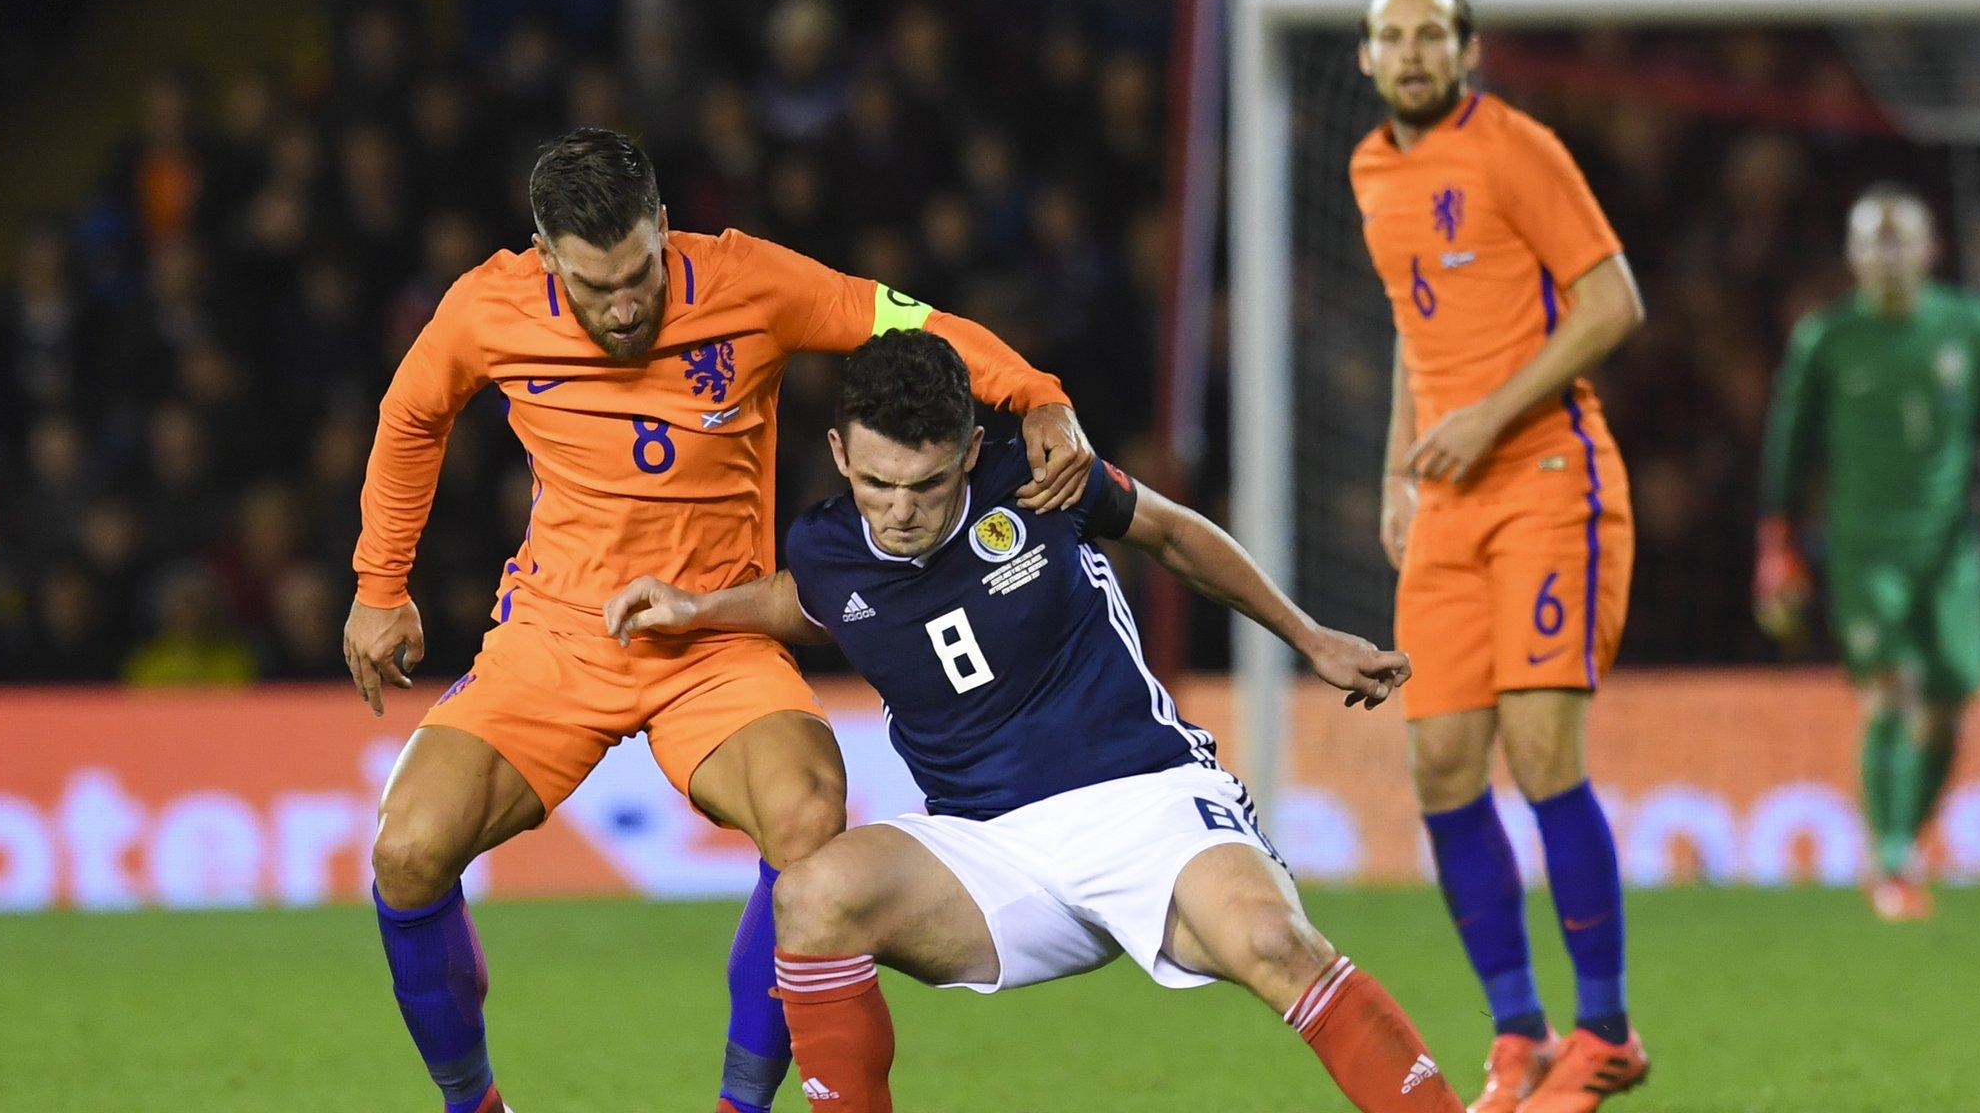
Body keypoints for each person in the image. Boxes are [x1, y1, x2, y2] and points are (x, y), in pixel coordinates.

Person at [343, 128, 1091, 1113]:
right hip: (555, 638)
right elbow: (411, 416)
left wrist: (1032, 393)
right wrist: (378, 581)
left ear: (662, 228)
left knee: (807, 821)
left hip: (716, 638)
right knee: (405, 852)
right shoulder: (489, 304)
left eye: (639, 276)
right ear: (544, 256)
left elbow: (906, 319)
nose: (622, 306)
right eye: (592, 286)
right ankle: (474, 1106)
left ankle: (739, 1108)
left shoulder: (749, 282)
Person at [604, 330, 1462, 1112]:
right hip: (984, 848)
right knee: (813, 897)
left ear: (972, 453)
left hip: (1144, 802)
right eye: (874, 484)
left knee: (1274, 941)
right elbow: (819, 601)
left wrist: (1307, 636)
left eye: (927, 485)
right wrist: (701, 606)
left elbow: (1170, 534)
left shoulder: (1041, 480)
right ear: (838, 455)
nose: (899, 511)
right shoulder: (824, 546)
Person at [1350, 0, 1649, 1110]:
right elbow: (1405, 321)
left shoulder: (1516, 150)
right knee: (1436, 766)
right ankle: (1517, 1036)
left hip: (1544, 480)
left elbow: (1613, 300)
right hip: (1446, 498)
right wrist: (1398, 466)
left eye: (1433, 33)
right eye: (1393, 37)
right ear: (1367, 62)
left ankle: (1606, 1030)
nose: (1413, 51)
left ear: (1466, 52)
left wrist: (1487, 415)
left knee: (1538, 757)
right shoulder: (1371, 166)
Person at [1757, 181, 1980, 922]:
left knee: (1951, 706)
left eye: (1902, 242)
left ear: (1931, 251)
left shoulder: (1973, 328)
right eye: (1874, 243)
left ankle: (1905, 839)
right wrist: (1778, 546)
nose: (1888, 257)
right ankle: (1890, 860)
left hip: (1949, 550)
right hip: (1865, 552)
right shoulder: (1827, 339)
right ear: (1853, 257)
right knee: (1893, 692)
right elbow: (1789, 451)